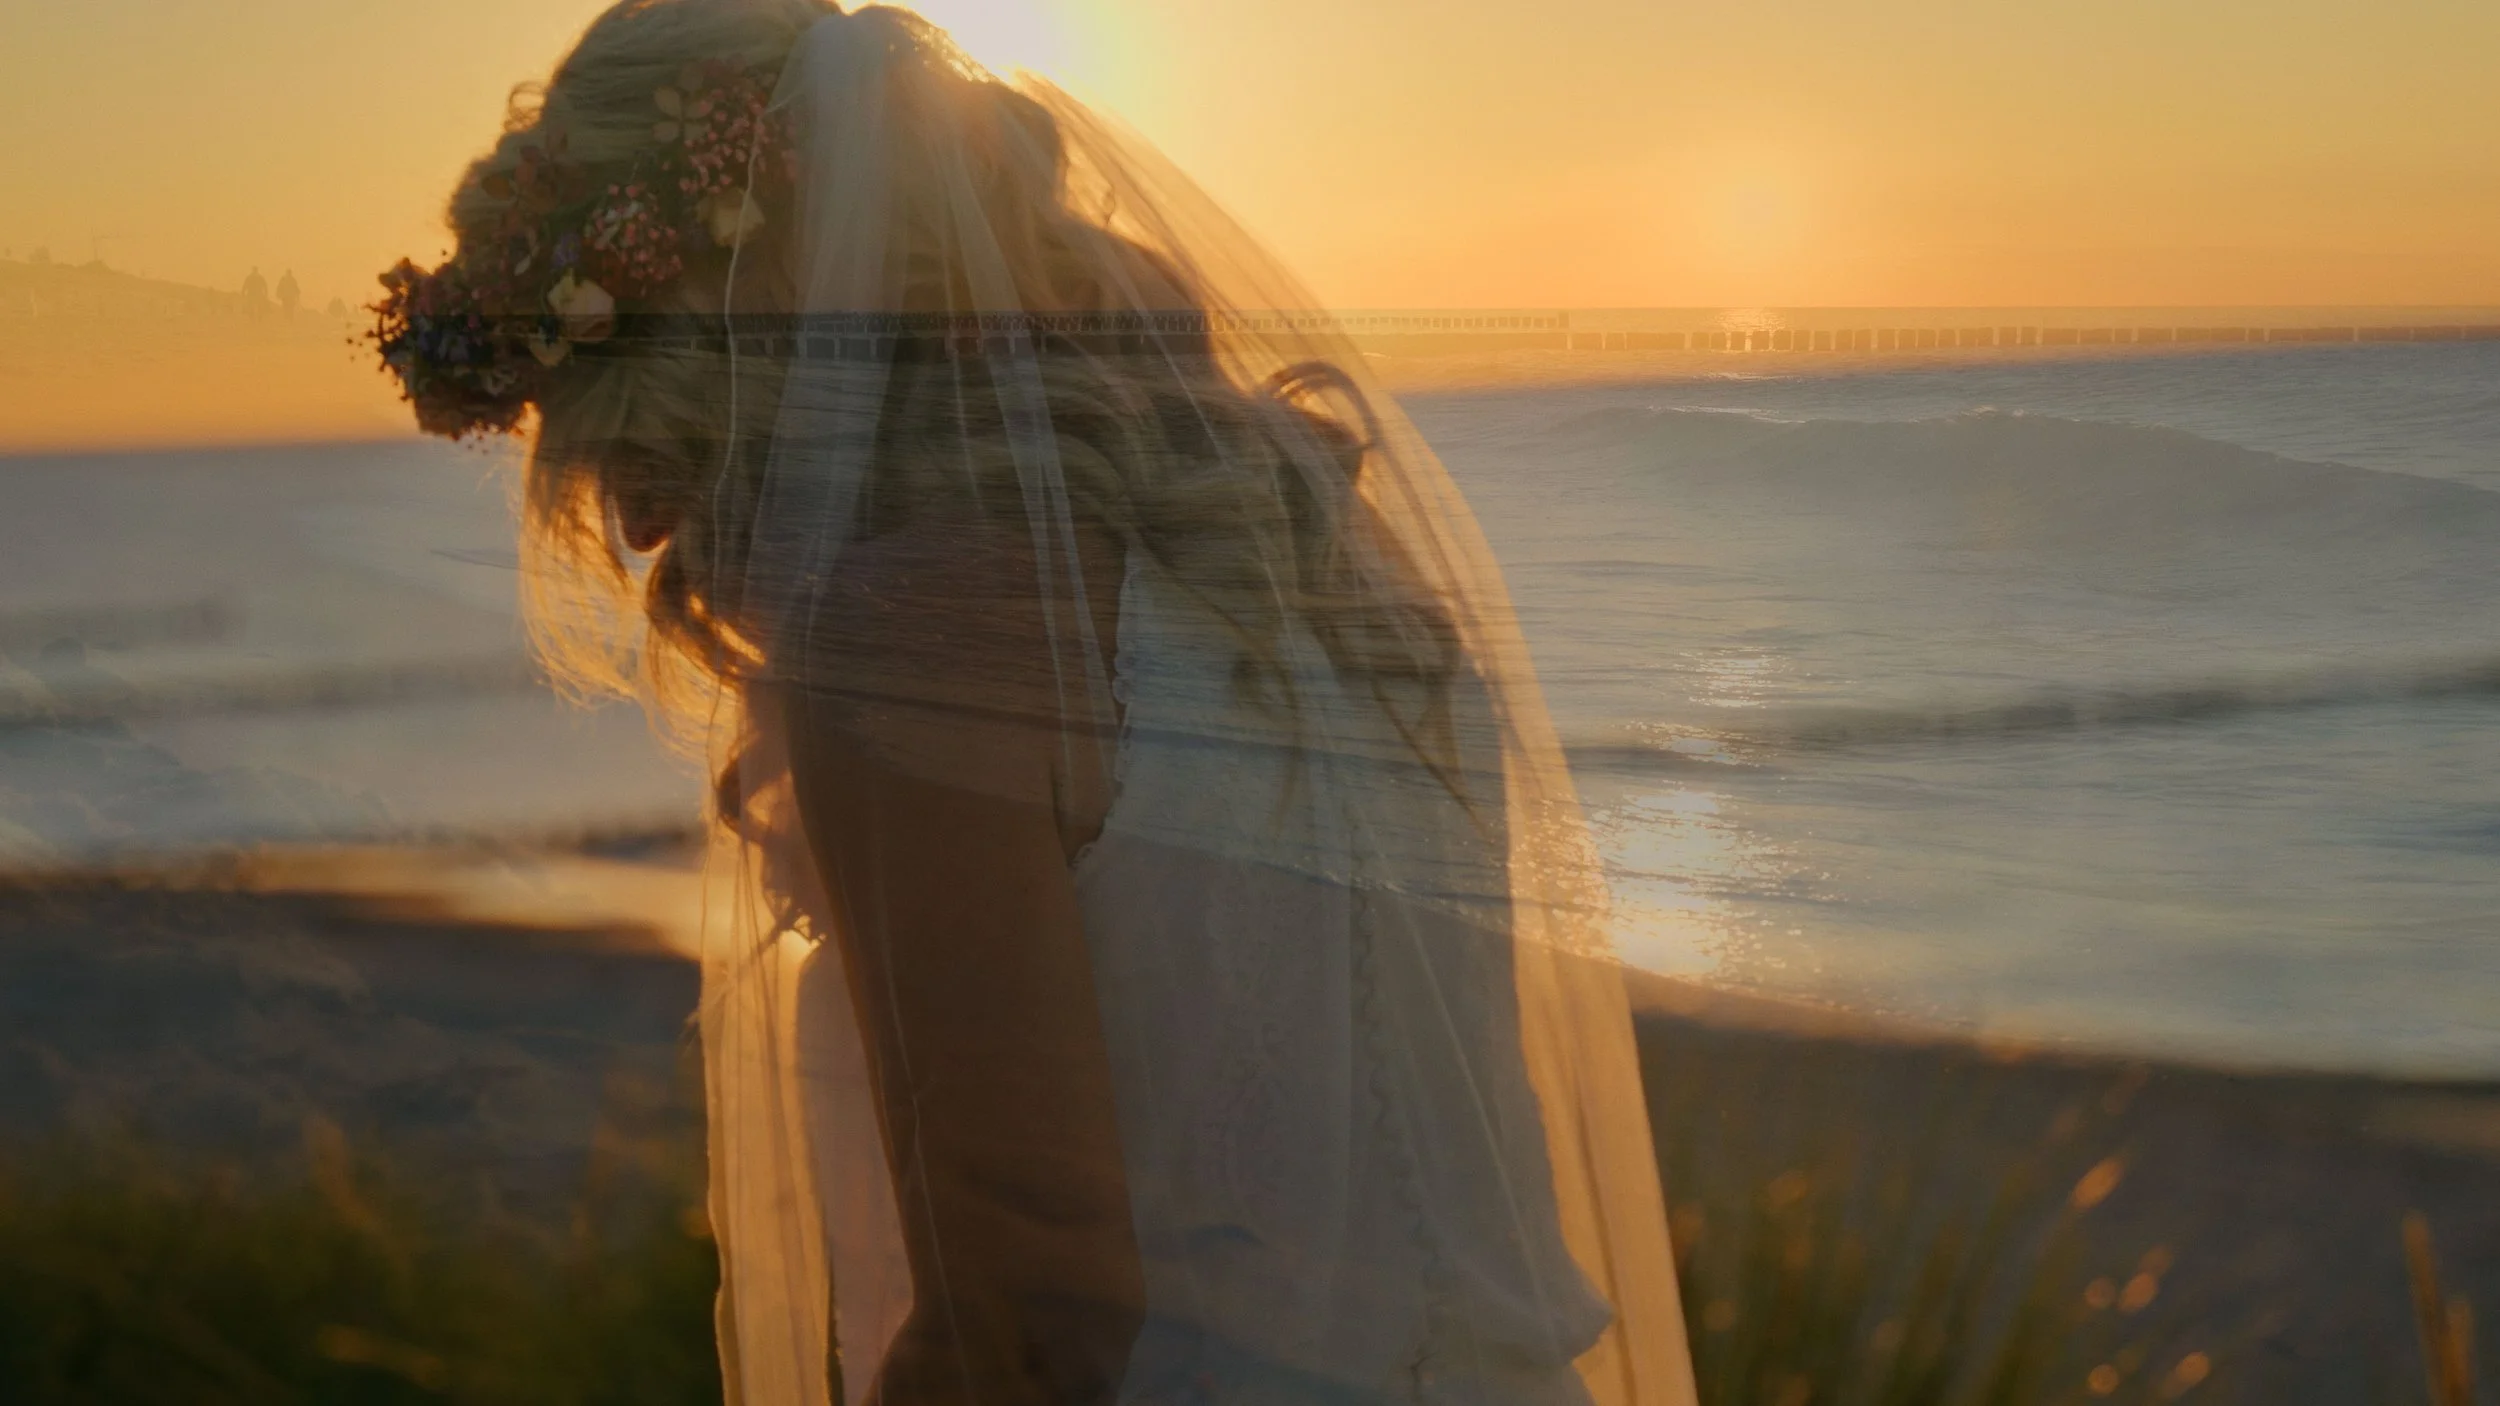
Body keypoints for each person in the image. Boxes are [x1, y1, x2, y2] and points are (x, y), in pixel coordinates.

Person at [369, 3, 1694, 1404]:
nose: (637, 526)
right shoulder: (1301, 558)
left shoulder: (908, 636)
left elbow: (1029, 1317)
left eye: (623, 424)